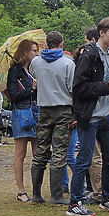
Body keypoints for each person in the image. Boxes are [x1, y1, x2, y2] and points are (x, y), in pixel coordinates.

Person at [68, 17, 109, 216]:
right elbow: (79, 88)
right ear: (101, 33)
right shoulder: (89, 55)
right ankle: (74, 203)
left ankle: (107, 198)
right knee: (84, 160)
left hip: (107, 116)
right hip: (90, 116)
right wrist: (105, 86)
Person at [29, 31, 76, 205]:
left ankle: (36, 194)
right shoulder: (68, 63)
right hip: (63, 110)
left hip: (44, 109)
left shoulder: (36, 62)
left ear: (46, 44)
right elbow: (72, 88)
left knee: (41, 150)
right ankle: (56, 195)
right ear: (62, 44)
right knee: (60, 151)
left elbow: (35, 76)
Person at [7, 40, 40, 202]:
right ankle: (21, 191)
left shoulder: (35, 70)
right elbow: (13, 95)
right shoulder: (15, 71)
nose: (37, 53)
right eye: (34, 50)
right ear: (25, 52)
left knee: (38, 153)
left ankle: (37, 190)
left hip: (36, 111)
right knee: (20, 153)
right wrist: (30, 89)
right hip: (21, 112)